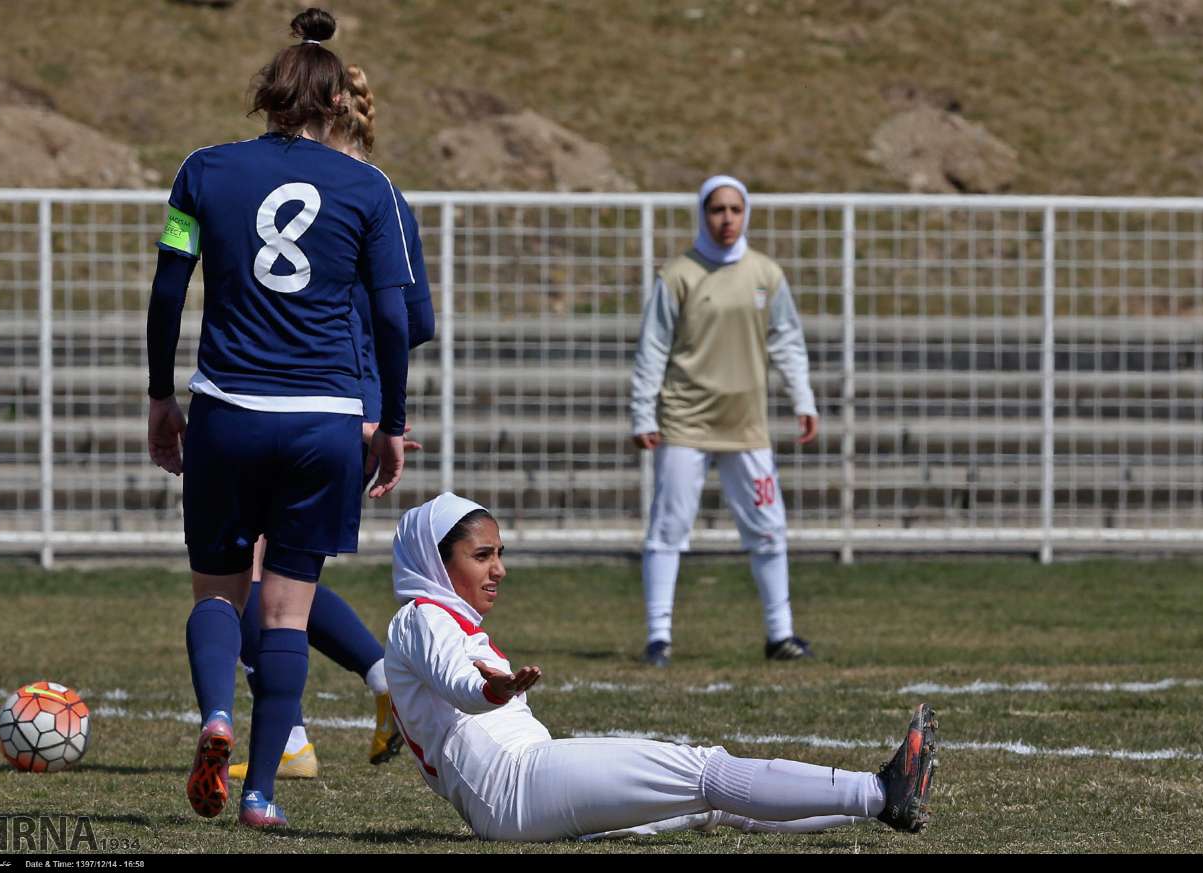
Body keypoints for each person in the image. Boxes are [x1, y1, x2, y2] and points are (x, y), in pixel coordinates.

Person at [145, 8, 415, 828]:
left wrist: (162, 394)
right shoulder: (370, 189)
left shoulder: (202, 170)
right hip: (323, 420)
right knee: (289, 609)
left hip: (227, 410)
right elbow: (395, 320)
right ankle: (261, 792)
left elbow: (167, 289)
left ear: (266, 96)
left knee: (219, 596)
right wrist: (391, 419)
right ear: (337, 106)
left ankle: (216, 717)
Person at [383, 493, 937, 842]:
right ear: (434, 561)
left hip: (518, 793)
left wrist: (492, 690)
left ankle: (881, 808)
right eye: (482, 556)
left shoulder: (442, 621)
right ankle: (881, 791)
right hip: (517, 785)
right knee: (702, 770)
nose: (499, 569)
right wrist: (494, 690)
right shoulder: (422, 617)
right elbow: (460, 684)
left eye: (500, 552)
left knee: (710, 808)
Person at [227, 62, 435, 782]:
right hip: (348, 405)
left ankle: (287, 739)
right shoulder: (383, 192)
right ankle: (379, 682)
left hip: (292, 395)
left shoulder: (279, 185)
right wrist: (378, 399)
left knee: (249, 575)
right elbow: (413, 322)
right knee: (286, 572)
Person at [630, 174, 820, 667]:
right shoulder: (678, 276)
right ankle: (658, 637)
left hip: (746, 425)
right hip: (685, 423)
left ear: (747, 213)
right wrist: (642, 412)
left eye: (735, 209)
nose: (727, 219)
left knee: (768, 528)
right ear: (703, 213)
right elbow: (653, 349)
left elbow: (787, 341)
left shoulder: (766, 274)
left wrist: (804, 400)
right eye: (718, 209)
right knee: (668, 528)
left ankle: (780, 634)